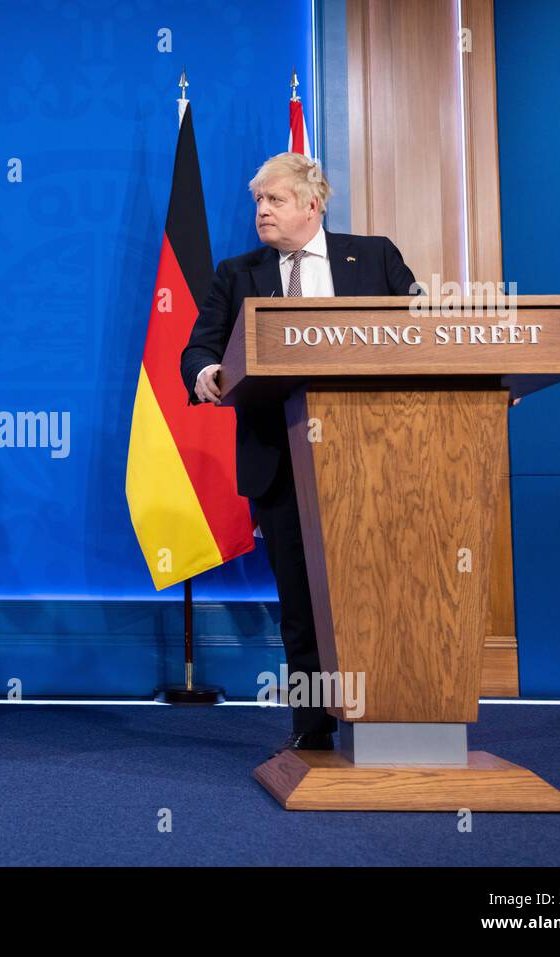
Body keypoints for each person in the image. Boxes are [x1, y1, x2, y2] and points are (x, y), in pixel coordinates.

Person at [180, 152, 418, 755]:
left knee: (388, 586)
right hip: (282, 461)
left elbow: (426, 330)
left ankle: (397, 713)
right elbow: (200, 347)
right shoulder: (239, 273)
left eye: (275, 200)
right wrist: (207, 370)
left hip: (380, 459)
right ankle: (312, 727)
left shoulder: (376, 256)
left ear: (313, 204)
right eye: (258, 201)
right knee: (303, 600)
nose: (262, 211)